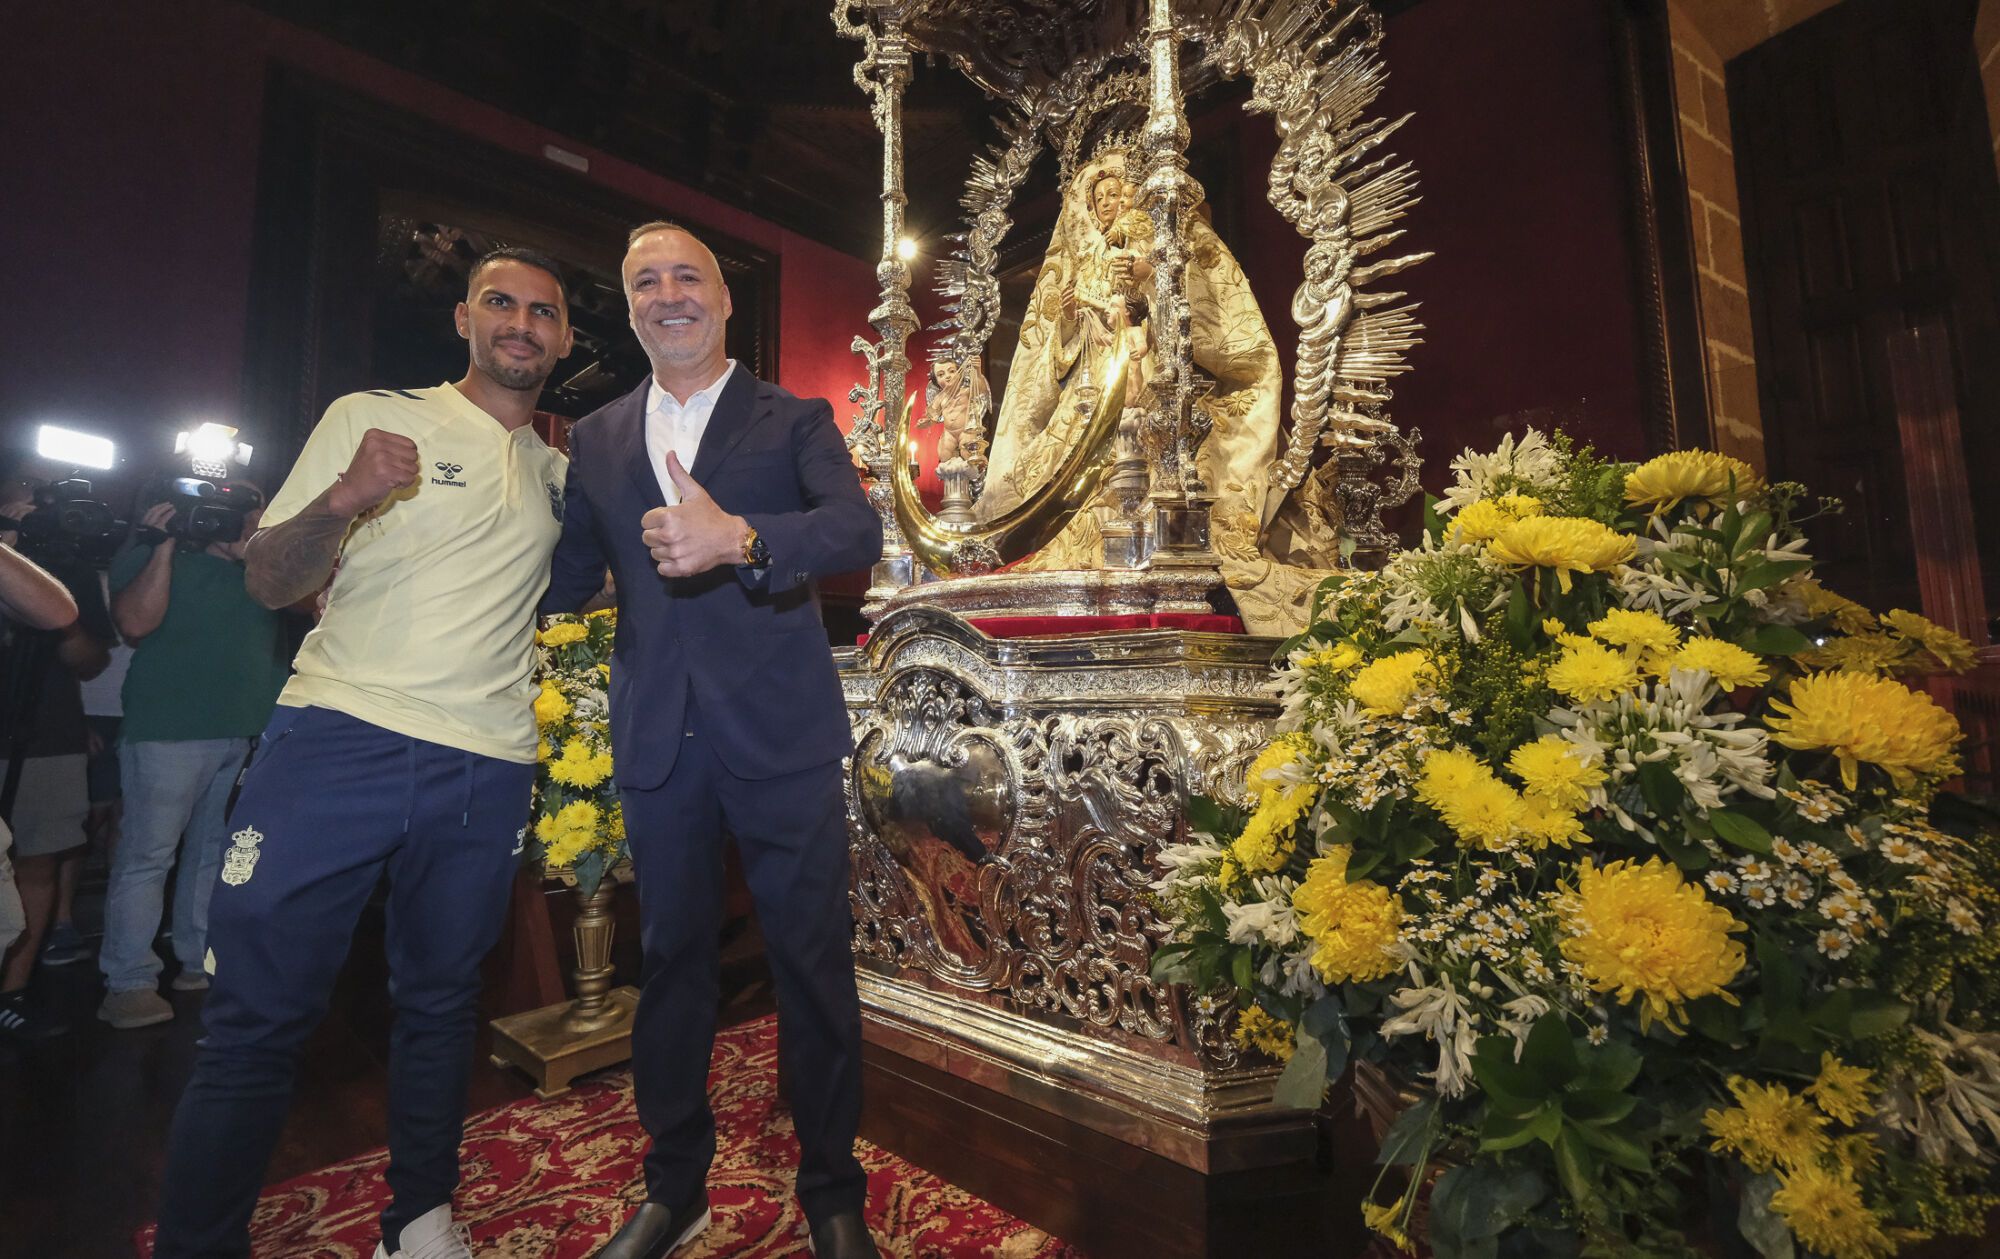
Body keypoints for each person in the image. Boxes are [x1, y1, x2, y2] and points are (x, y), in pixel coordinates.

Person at [152, 246, 575, 1259]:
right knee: (257, 1016)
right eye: (499, 302)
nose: (521, 322)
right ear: (464, 321)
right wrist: (342, 496)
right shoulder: (371, 416)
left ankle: (419, 1218)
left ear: (563, 339)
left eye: (544, 311)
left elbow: (571, 592)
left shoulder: (562, 474)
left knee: (440, 1004)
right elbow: (266, 581)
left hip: (487, 760)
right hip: (340, 737)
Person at [542, 221, 882, 1259]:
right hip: (658, 737)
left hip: (778, 732)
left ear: (723, 300)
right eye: (644, 280)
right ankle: (672, 1184)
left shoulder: (792, 416)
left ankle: (831, 1190)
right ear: (631, 305)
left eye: (686, 275)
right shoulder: (595, 438)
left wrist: (741, 536)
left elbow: (855, 530)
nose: (666, 293)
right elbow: (564, 576)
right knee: (674, 962)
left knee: (810, 962)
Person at [95, 486, 289, 1028]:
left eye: (255, 509)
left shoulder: (261, 571)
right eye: (238, 513)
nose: (248, 519)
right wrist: (164, 544)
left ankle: (197, 961)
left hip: (244, 732)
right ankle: (129, 982)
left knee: (212, 856)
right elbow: (135, 623)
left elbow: (306, 602)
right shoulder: (157, 555)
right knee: (148, 857)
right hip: (168, 732)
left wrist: (258, 549)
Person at [0, 478, 112, 1045]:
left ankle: (11, 993)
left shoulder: (60, 564)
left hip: (47, 732)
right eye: (29, 491)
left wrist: (56, 623)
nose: (41, 505)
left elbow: (91, 659)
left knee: (37, 862)